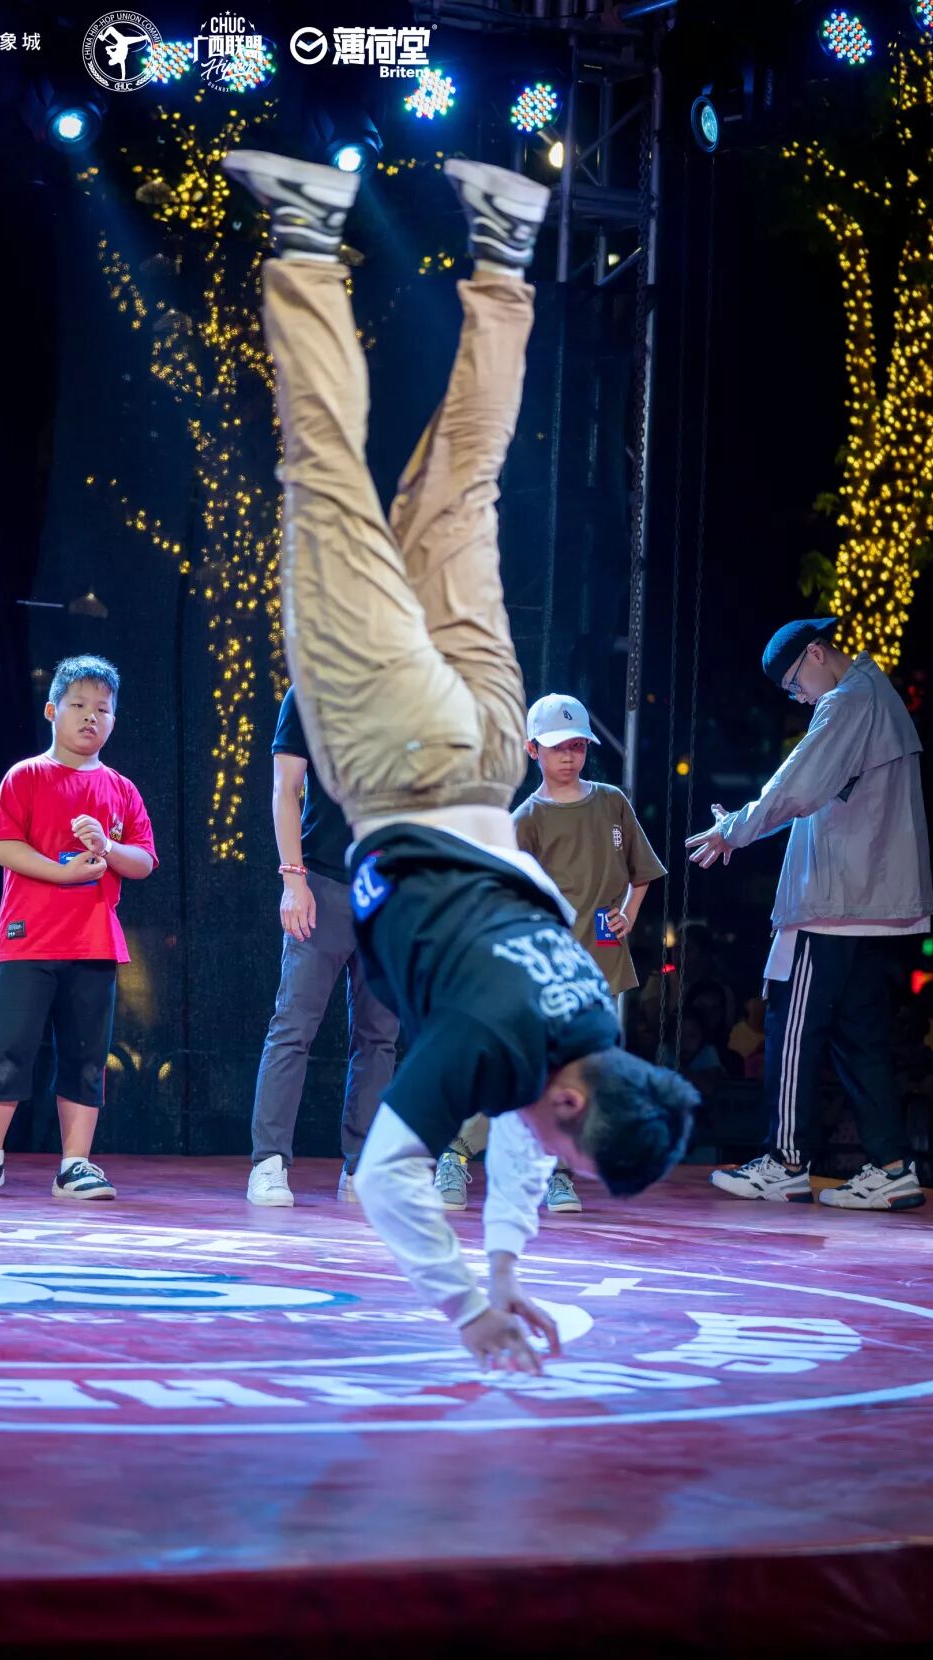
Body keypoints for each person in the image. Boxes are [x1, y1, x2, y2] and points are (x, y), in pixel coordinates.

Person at [222, 147, 697, 1372]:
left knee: (463, 481)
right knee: (324, 480)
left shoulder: (585, 1018)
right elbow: (391, 1178)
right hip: (403, 766)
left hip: (490, 748)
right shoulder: (493, 1043)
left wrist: (505, 1269)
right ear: (579, 1095)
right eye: (573, 1140)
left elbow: (529, 1148)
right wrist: (466, 1309)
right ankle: (306, 231)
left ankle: (504, 246)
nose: (551, 1148)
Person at [687, 617, 932, 1210]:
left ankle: (785, 1161)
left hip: (832, 902)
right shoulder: (877, 694)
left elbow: (794, 784)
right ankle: (892, 1166)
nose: (799, 698)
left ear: (816, 654)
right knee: (859, 1035)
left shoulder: (846, 702)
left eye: (796, 684)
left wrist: (732, 830)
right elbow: (810, 792)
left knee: (792, 1024)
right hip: (869, 901)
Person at [0, 655, 157, 1202]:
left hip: (94, 943)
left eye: (103, 709)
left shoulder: (121, 789)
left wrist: (108, 846)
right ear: (52, 711)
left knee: (86, 1057)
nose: (91, 717)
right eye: (78, 705)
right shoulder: (25, 776)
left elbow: (143, 860)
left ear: (114, 719)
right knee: (9, 1049)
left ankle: (75, 1165)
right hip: (27, 941)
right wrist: (62, 872)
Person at [504, 691, 666, 1213]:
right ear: (533, 750)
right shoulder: (526, 819)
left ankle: (559, 1173)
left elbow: (642, 872)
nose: (569, 757)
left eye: (577, 746)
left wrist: (628, 914)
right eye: (558, 747)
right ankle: (470, 1155)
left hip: (601, 956)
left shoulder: (611, 801)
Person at [248, 683, 399, 1207]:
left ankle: (361, 1169)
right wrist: (293, 879)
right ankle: (269, 1163)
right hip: (324, 883)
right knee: (293, 1027)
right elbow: (285, 787)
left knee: (380, 1036)